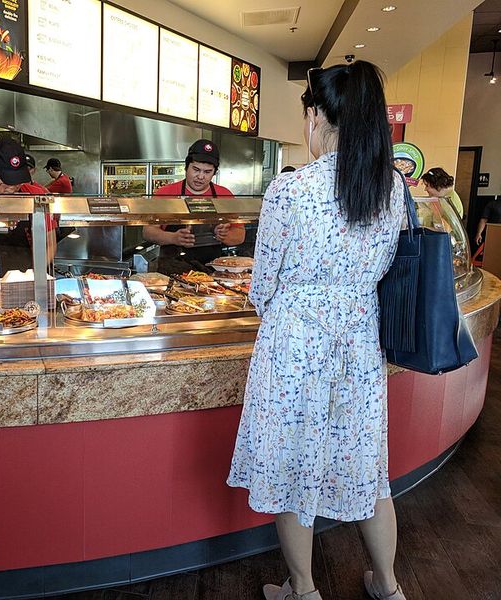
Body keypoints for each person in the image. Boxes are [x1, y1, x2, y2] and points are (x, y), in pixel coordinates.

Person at [227, 62, 407, 600]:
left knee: (290, 469)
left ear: (320, 117)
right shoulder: (391, 188)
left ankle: (303, 591)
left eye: (306, 114)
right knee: (369, 472)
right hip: (358, 346)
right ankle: (389, 587)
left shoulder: (290, 191)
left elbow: (261, 289)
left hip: (294, 350)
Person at [142, 139, 245, 273]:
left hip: (212, 271)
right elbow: (148, 232)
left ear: (214, 172)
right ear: (186, 167)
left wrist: (224, 235)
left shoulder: (225, 195)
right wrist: (173, 238)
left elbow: (240, 234)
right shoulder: (165, 193)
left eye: (207, 172)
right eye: (196, 169)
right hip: (172, 269)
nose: (200, 176)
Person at [0, 138, 56, 274]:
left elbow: (49, 243)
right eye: (7, 181)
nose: (13, 187)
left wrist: (35, 276)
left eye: (18, 180)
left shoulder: (37, 197)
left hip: (35, 275)